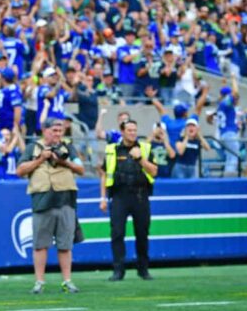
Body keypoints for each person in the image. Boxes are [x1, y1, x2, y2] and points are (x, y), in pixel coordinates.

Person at [16, 118, 85, 295]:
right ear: (45, 131)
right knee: (40, 245)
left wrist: (63, 162)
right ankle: (39, 282)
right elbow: (20, 170)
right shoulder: (33, 147)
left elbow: (81, 169)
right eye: (54, 130)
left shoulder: (68, 147)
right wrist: (41, 159)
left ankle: (67, 281)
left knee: (65, 244)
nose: (58, 134)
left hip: (65, 199)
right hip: (42, 200)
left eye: (60, 130)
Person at [100, 120, 158, 281]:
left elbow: (153, 171)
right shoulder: (113, 149)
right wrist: (102, 198)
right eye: (129, 130)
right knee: (117, 233)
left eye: (135, 130)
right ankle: (118, 270)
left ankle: (143, 269)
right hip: (119, 195)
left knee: (142, 233)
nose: (133, 133)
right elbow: (104, 173)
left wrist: (140, 159)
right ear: (123, 132)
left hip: (140, 195)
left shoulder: (145, 148)